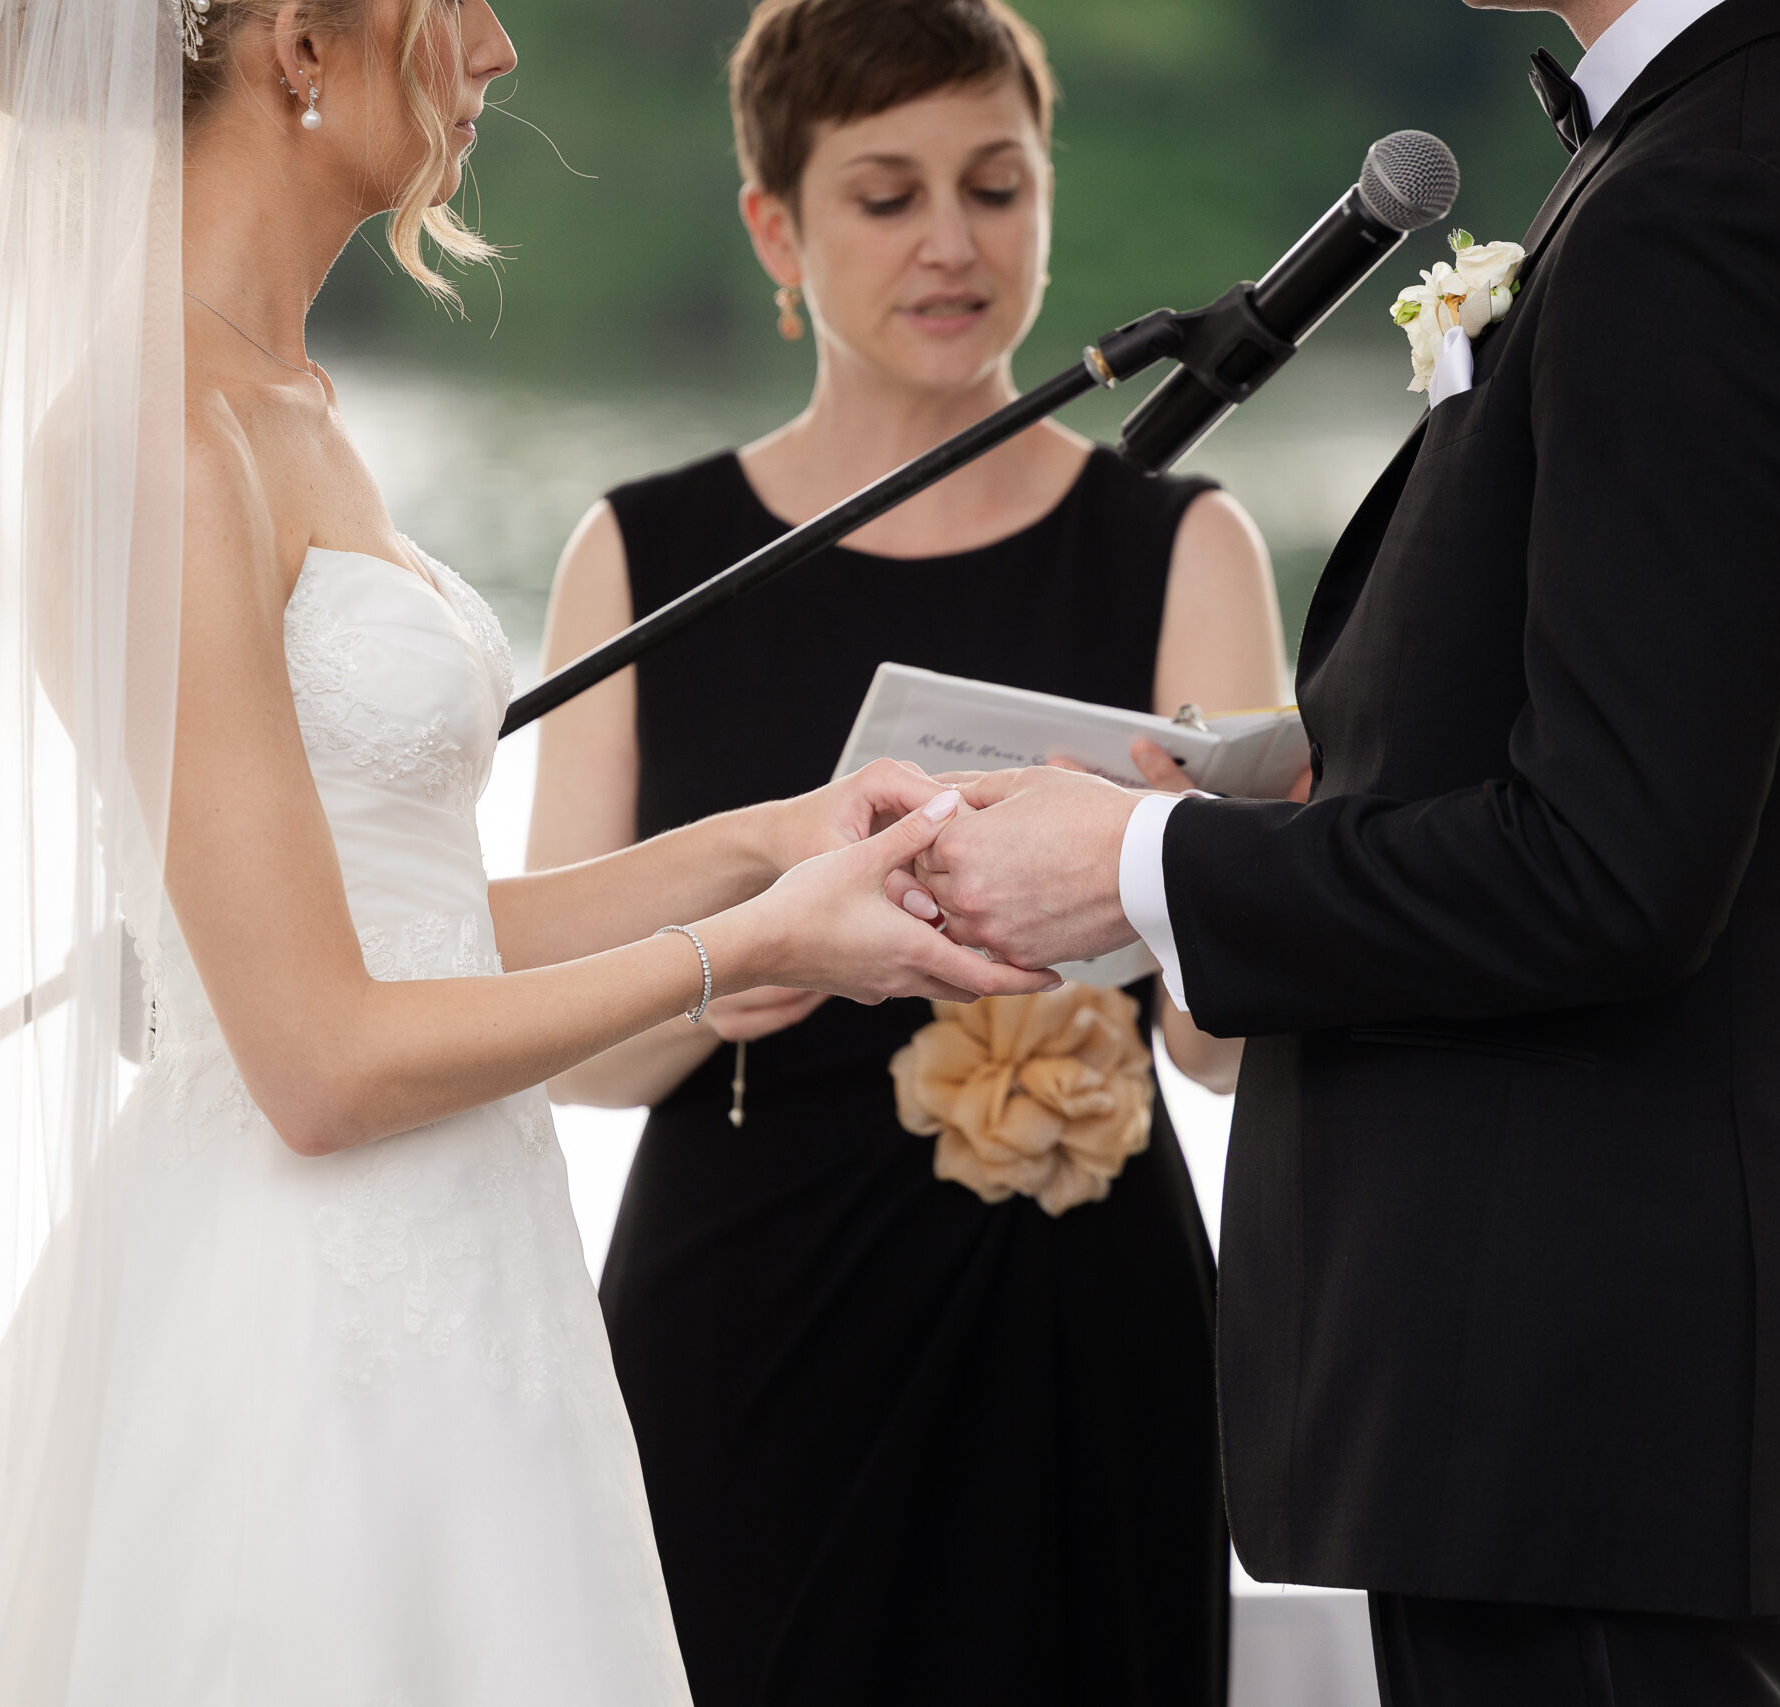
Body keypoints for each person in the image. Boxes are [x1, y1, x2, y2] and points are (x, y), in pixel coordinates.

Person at [0, 0, 1053, 1701]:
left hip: (470, 1278)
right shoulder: (151, 439)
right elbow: (323, 1059)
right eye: (460, 5)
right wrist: (761, 949)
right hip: (296, 1328)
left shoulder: (296, 405)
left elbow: (405, 922)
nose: (496, 53)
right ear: (296, 47)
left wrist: (761, 847)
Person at [907, 0, 1780, 1703]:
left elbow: (1612, 867)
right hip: (1587, 1426)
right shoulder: (1740, 136)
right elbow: (1629, 763)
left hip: (1577, 1409)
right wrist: (1288, 781)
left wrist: (1141, 866)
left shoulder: (1715, 201)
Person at [523, 2, 1287, 1701]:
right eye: (886, 196)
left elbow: (1222, 1054)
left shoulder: (1183, 545)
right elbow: (571, 1044)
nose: (953, 242)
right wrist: (748, 961)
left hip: (1083, 1343)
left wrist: (1266, 881)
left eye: (996, 186)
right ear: (774, 228)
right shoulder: (647, 553)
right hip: (746, 1334)